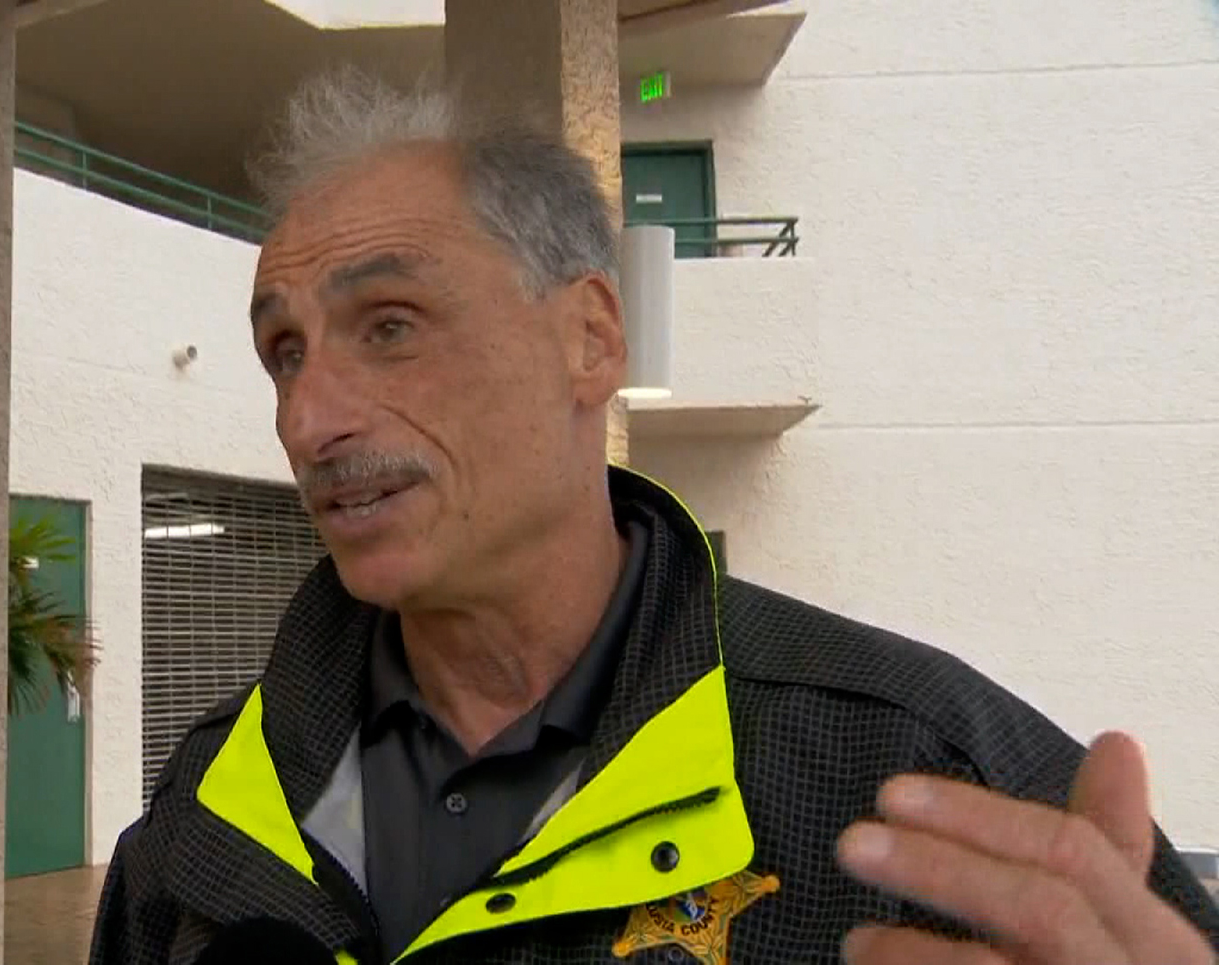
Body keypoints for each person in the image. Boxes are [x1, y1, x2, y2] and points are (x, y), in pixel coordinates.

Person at [90, 70, 1219, 965]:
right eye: (282, 350)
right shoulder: (207, 814)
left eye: (388, 324)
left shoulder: (918, 774)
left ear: (589, 338)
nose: (309, 416)